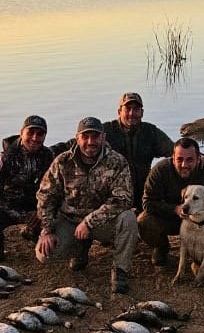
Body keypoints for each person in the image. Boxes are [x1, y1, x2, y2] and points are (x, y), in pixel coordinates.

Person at [35, 116, 138, 294]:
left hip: (101, 223)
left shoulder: (117, 161)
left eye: (95, 136)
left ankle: (120, 270)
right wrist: (47, 230)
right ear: (77, 138)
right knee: (44, 255)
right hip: (70, 219)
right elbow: (45, 196)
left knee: (128, 218)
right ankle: (80, 249)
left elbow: (123, 199)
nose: (91, 141)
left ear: (103, 137)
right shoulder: (62, 161)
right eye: (86, 136)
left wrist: (89, 222)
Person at [138, 136, 204, 269]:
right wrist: (174, 209)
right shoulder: (160, 170)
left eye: (190, 160)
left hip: (202, 223)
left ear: (199, 159)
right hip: (172, 219)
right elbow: (147, 203)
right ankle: (161, 248)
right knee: (144, 221)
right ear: (173, 157)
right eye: (179, 159)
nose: (184, 165)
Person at [0, 115, 54, 264]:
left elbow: (52, 190)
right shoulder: (5, 157)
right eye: (30, 133)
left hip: (34, 204)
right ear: (21, 133)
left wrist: (40, 212)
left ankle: (31, 232)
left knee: (55, 220)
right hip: (8, 204)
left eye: (40, 134)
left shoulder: (48, 156)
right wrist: (21, 215)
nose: (34, 138)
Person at [103, 91, 174, 210]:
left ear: (142, 113)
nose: (132, 113)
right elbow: (79, 143)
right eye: (128, 109)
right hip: (113, 192)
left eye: (136, 109)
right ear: (119, 112)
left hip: (144, 191)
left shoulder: (150, 131)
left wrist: (200, 157)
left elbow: (174, 151)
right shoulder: (106, 131)